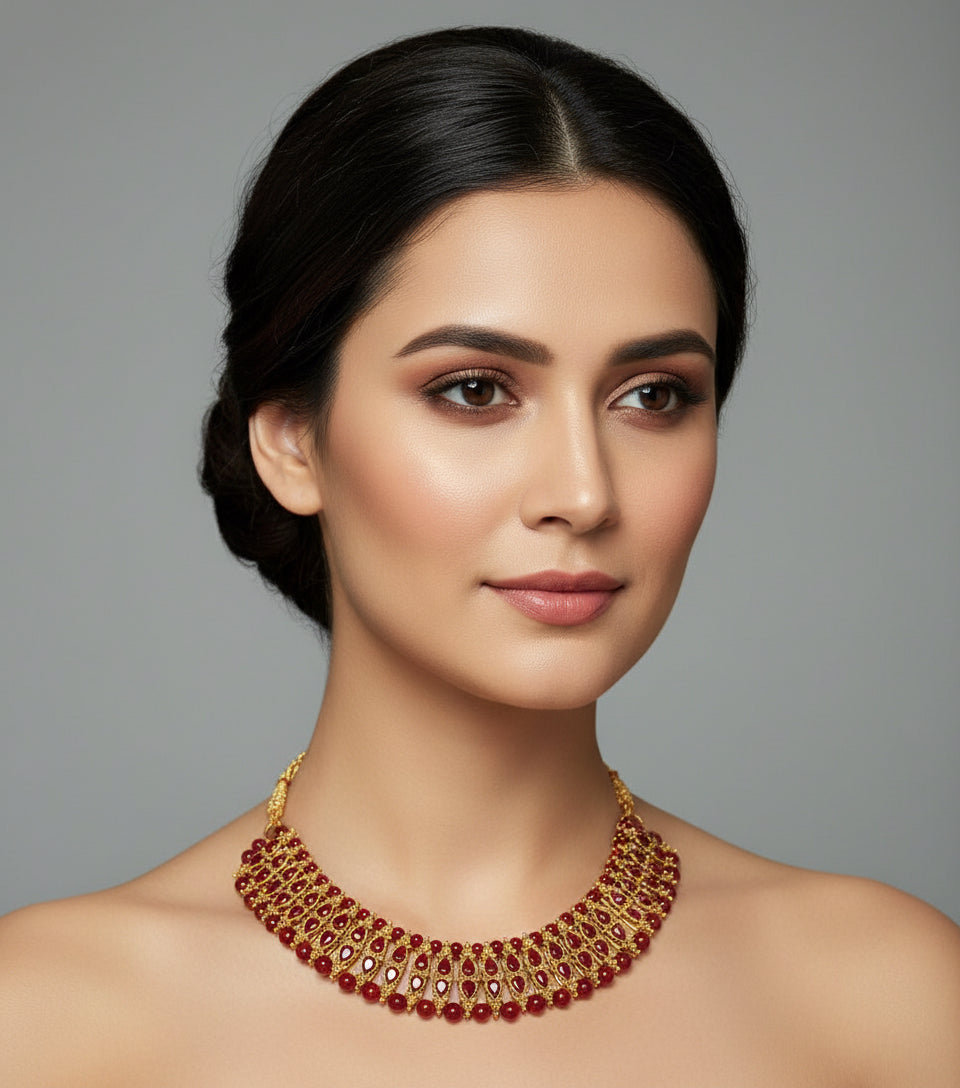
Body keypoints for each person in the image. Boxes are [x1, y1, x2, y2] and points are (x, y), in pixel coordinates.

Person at [1, 25, 957, 1086]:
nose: (583, 493)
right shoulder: (48, 1020)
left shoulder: (890, 996)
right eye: (475, 389)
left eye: (653, 396)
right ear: (293, 440)